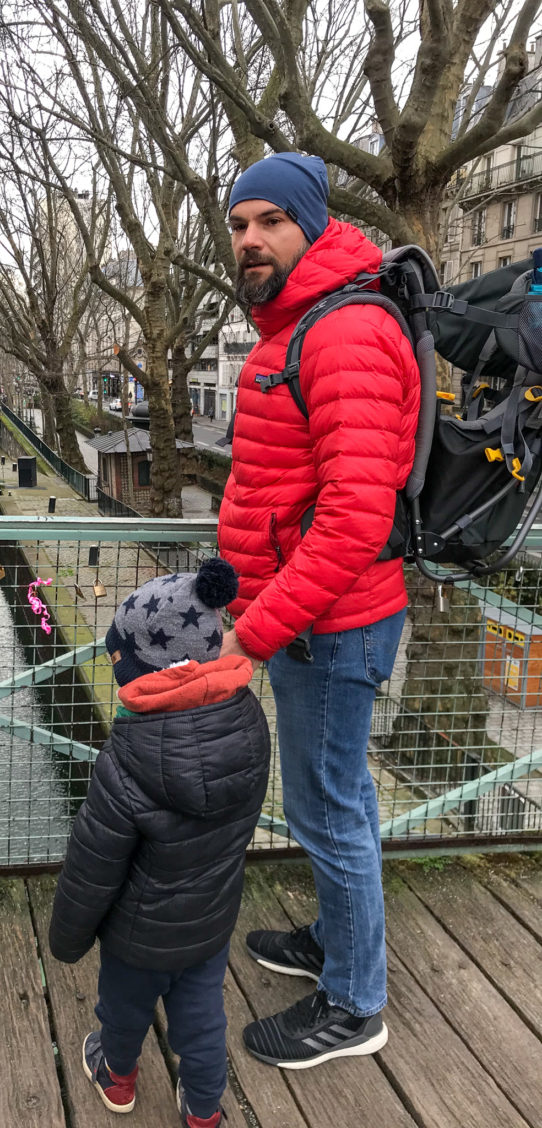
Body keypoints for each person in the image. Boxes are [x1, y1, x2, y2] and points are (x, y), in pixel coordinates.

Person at [216, 152, 420, 1069]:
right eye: (237, 224)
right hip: (310, 619)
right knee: (326, 803)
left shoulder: (339, 333)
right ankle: (338, 946)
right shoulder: (300, 321)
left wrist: (253, 631)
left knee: (330, 810)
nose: (250, 239)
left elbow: (352, 521)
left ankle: (355, 1002)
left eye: (269, 221)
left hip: (330, 627)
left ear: (311, 226)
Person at [49, 558, 270, 1127]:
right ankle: (202, 1111)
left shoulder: (125, 759)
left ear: (148, 669)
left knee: (122, 1012)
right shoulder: (250, 727)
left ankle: (117, 1077)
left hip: (137, 938)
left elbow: (91, 866)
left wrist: (67, 941)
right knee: (201, 1018)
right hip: (211, 922)